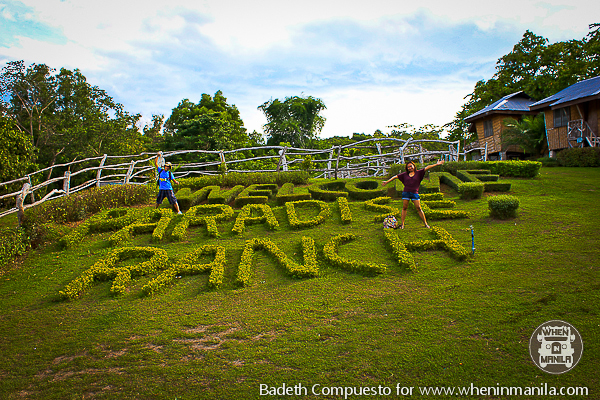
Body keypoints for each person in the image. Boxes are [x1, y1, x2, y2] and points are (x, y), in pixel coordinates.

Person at [381, 159, 444, 229]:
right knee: (404, 208)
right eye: (408, 167)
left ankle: (426, 224)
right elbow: (395, 176)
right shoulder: (404, 175)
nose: (410, 168)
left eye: (411, 166)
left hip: (414, 193)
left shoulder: (419, 173)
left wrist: (436, 164)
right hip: (406, 193)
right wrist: (387, 181)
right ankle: (402, 224)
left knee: (419, 208)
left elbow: (427, 167)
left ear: (414, 166)